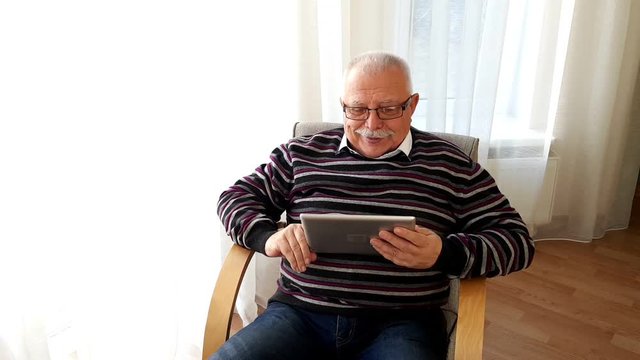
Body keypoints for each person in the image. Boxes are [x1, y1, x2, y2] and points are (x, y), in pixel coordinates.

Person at [214, 51, 535, 360]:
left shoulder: (452, 166)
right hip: (300, 313)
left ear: (412, 105)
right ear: (343, 106)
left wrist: (445, 253)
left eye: (388, 108)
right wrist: (268, 237)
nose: (371, 123)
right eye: (357, 109)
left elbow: (516, 242)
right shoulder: (300, 154)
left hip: (402, 322)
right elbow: (234, 198)